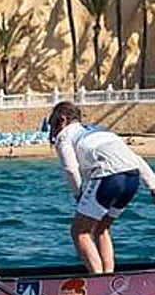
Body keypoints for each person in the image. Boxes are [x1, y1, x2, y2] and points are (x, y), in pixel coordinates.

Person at [47, 100, 155, 273]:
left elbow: (70, 169)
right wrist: (152, 185)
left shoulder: (64, 136)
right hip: (132, 177)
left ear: (62, 120)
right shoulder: (101, 130)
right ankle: (109, 277)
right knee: (101, 228)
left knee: (79, 231)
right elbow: (135, 159)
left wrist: (79, 195)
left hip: (108, 176)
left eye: (51, 124)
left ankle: (98, 280)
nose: (51, 130)